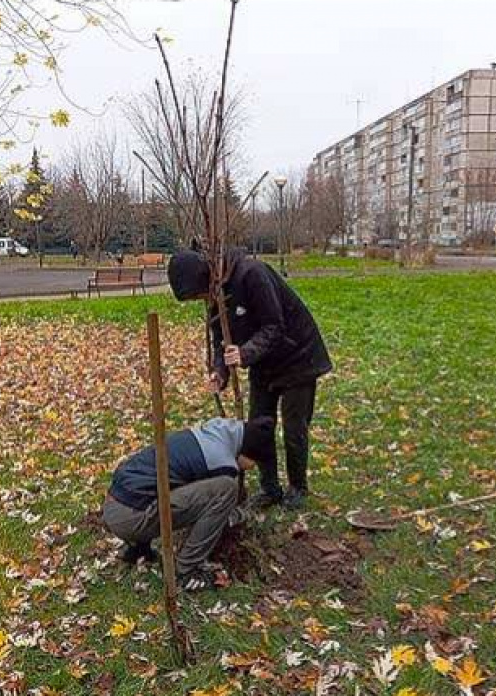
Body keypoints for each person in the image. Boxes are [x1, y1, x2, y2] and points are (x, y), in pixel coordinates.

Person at [167, 248, 333, 509]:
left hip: (298, 357)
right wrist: (220, 372)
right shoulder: (215, 296)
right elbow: (221, 339)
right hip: (263, 363)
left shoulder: (252, 274)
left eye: (198, 294)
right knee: (258, 426)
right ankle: (270, 488)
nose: (201, 300)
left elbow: (274, 325)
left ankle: (297, 487)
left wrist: (244, 353)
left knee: (293, 426)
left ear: (205, 278)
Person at [102, 417, 275, 591]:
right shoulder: (221, 462)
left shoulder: (211, 433)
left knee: (166, 479)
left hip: (114, 503)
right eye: (254, 462)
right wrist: (239, 514)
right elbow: (215, 508)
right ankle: (186, 570)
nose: (252, 467)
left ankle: (138, 547)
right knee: (226, 489)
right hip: (130, 518)